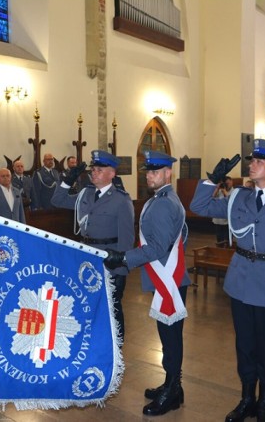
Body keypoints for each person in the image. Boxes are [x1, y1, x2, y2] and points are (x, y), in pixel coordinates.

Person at [189, 139, 265, 422]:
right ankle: (246, 399)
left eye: (257, 161)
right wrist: (213, 179)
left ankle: (264, 401)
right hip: (240, 283)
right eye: (252, 160)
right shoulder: (238, 198)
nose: (251, 165)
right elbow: (199, 205)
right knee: (244, 345)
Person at [104, 151, 191, 417]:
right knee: (169, 336)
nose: (150, 176)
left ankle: (172, 391)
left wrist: (124, 257)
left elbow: (157, 247)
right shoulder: (162, 198)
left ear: (168, 173)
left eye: (155, 172)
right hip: (167, 277)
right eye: (148, 172)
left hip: (169, 281)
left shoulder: (164, 203)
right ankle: (172, 385)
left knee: (171, 338)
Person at [51, 150, 134, 343]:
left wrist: (121, 270)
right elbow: (57, 201)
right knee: (87, 304)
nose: (93, 173)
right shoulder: (85, 194)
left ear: (111, 174)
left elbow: (127, 239)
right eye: (93, 169)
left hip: (108, 261)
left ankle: (116, 346)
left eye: (99, 169)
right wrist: (67, 180)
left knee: (112, 308)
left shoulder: (121, 200)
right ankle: (92, 342)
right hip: (86, 259)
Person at [211, 176, 233, 245]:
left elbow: (231, 200)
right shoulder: (220, 191)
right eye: (225, 184)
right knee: (219, 238)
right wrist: (217, 187)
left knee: (228, 238)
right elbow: (212, 197)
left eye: (228, 183)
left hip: (228, 220)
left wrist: (224, 191)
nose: (227, 185)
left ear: (232, 182)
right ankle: (220, 250)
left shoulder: (235, 191)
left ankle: (228, 251)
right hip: (218, 218)